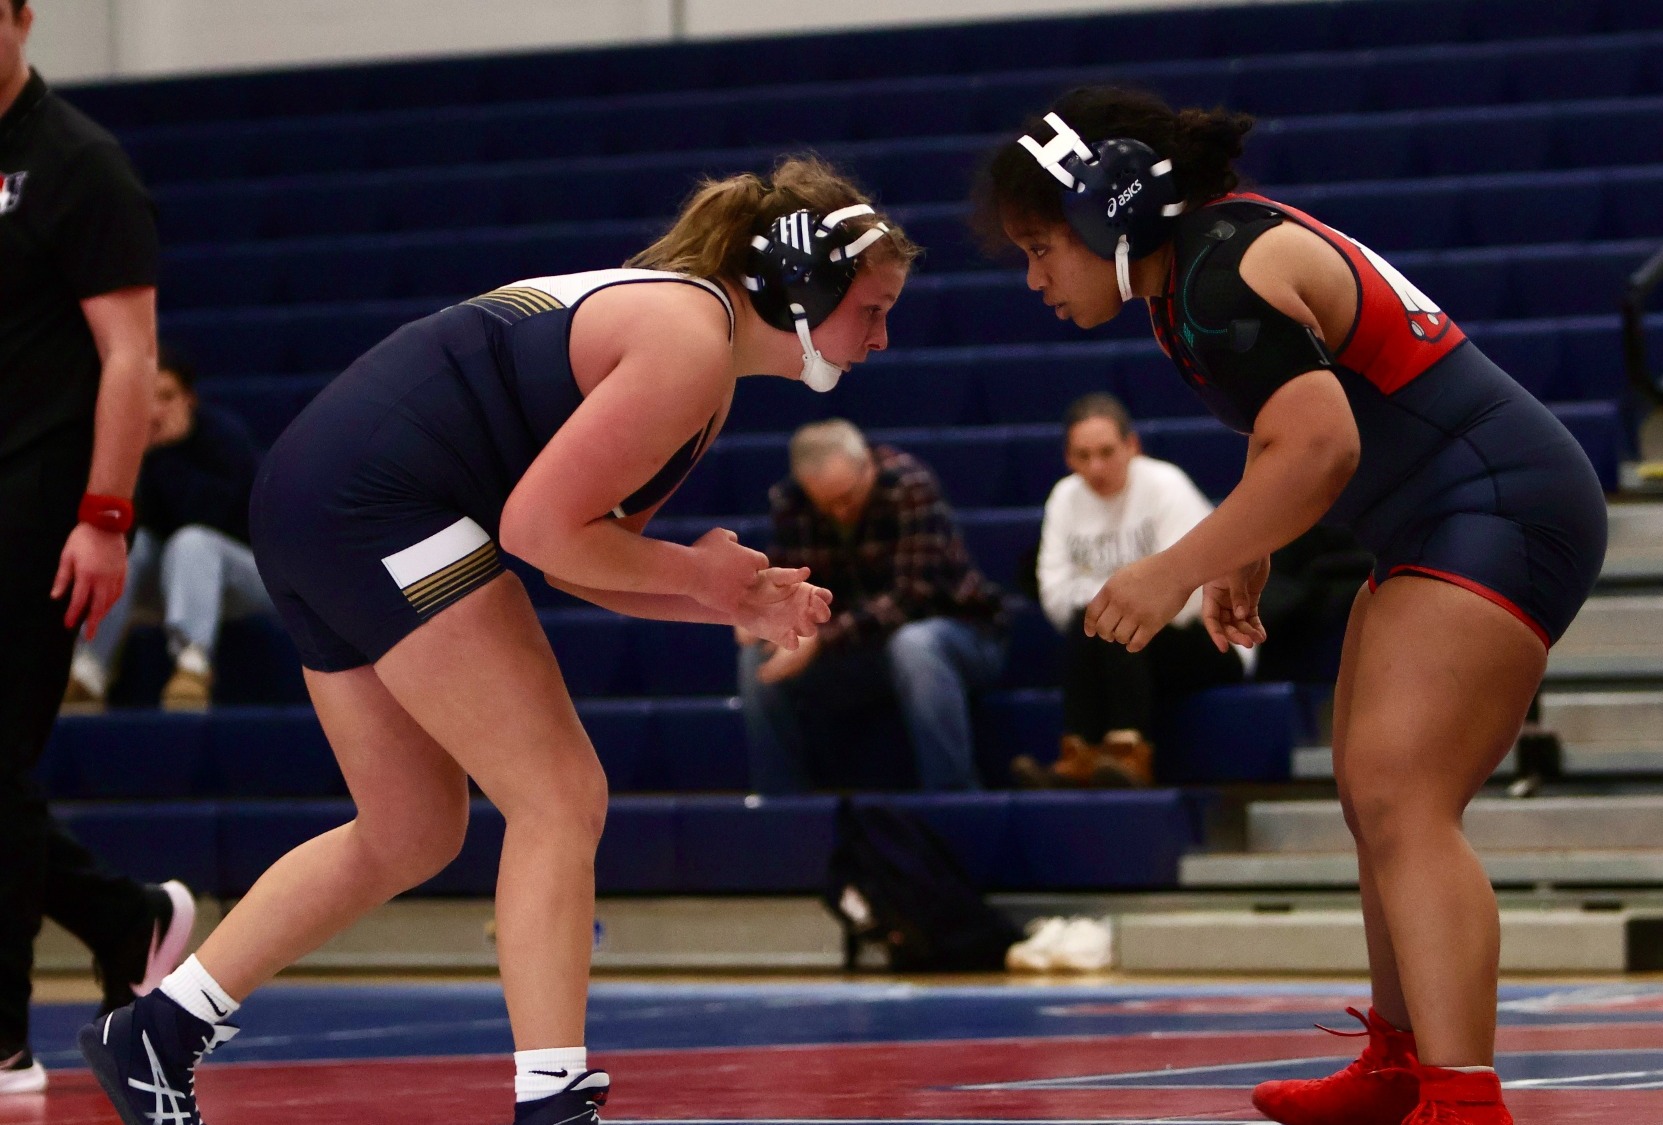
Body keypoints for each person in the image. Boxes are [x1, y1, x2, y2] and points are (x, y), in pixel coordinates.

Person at [80, 157, 912, 1125]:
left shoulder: (698, 352)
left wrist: (734, 604)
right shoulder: (686, 344)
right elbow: (536, 535)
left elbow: (579, 562)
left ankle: (161, 1029)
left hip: (318, 499)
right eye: (873, 308)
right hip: (377, 506)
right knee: (559, 795)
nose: (884, 337)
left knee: (411, 829)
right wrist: (700, 576)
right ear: (802, 289)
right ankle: (551, 1100)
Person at [972, 88, 1607, 1125]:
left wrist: (1174, 564)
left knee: (1402, 796)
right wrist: (1246, 544)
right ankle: (1405, 1063)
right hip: (1442, 511)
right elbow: (1298, 437)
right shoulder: (1199, 266)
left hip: (1493, 502)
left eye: (1041, 247)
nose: (1034, 277)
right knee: (1371, 799)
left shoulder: (1222, 270)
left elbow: (1321, 446)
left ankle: (1461, 1097)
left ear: (1105, 213)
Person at [0, 0, 197, 1095]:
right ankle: (125, 921)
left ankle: (5, 1039)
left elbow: (131, 357)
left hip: (40, 501)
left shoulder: (80, 165)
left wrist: (105, 514)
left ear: (24, 16)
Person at [738, 418, 1008, 793]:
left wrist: (823, 638)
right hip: (858, 648)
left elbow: (913, 597)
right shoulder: (791, 501)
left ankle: (954, 804)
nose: (840, 513)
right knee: (760, 657)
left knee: (914, 646)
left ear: (869, 463)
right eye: (827, 506)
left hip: (955, 636)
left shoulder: (909, 485)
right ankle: (784, 811)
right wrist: (765, 614)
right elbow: (796, 587)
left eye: (848, 498)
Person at [1020, 392, 1244, 787]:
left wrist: (1120, 602)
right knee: (1088, 621)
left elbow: (1193, 594)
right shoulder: (1064, 498)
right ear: (1068, 459)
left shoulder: (1165, 486)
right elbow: (1054, 597)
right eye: (1083, 456)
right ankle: (1081, 755)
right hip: (1121, 643)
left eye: (1106, 452)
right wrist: (1124, 599)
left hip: (1204, 638)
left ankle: (1126, 754)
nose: (1096, 467)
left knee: (1112, 622)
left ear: (1132, 446)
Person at [65, 349, 272, 712]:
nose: (155, 410)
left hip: (242, 572)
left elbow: (214, 517)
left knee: (192, 542)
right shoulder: (131, 447)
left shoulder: (224, 439)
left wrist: (163, 456)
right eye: (146, 398)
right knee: (129, 543)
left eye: (166, 396)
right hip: (170, 580)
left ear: (189, 399)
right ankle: (89, 669)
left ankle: (192, 664)